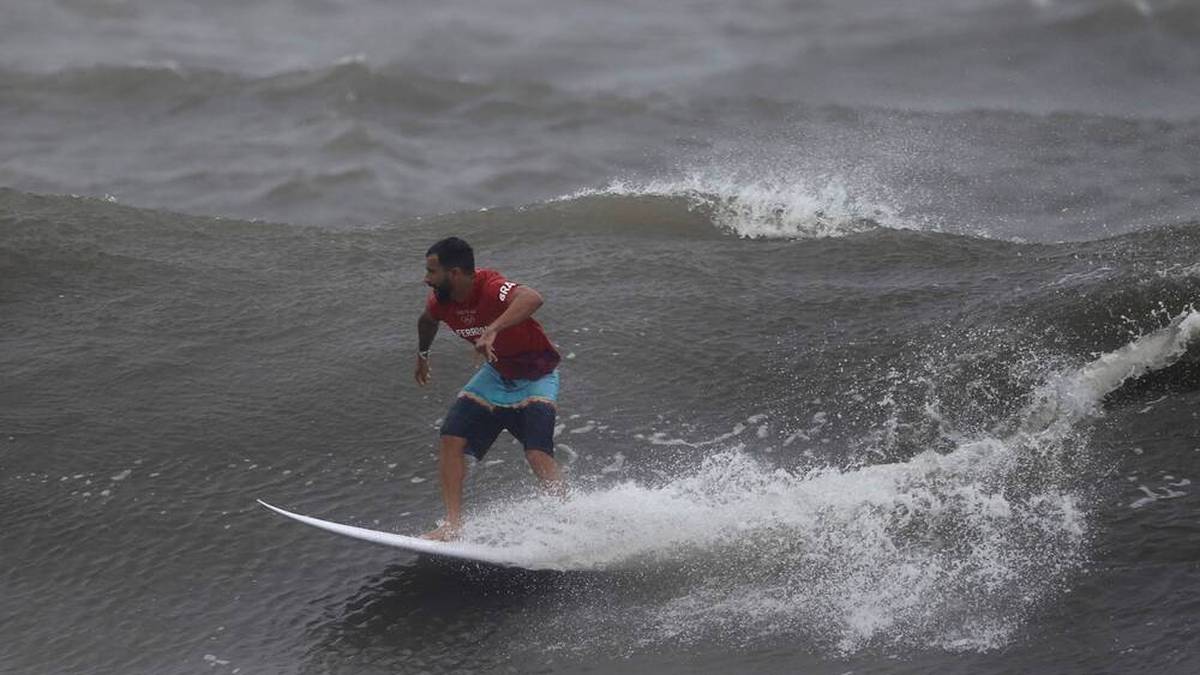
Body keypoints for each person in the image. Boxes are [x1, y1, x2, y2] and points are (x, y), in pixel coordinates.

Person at [414, 236, 564, 541]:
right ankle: (452, 526)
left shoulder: (492, 286)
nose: (425, 279)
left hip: (537, 373)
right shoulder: (441, 302)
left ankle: (568, 520)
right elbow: (427, 321)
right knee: (450, 438)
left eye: (432, 272)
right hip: (496, 374)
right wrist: (423, 355)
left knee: (537, 453)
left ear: (454, 273)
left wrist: (493, 329)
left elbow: (532, 298)